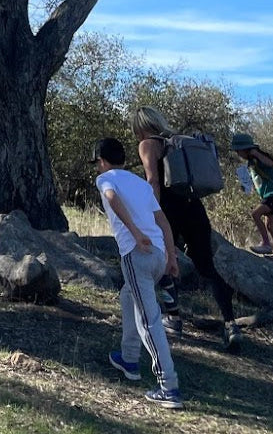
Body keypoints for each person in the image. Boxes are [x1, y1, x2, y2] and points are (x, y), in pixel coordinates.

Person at [132, 106, 242, 350]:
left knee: (164, 259)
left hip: (168, 210)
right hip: (194, 208)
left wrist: (151, 214)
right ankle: (231, 324)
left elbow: (153, 180)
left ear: (139, 127)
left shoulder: (148, 144)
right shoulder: (177, 142)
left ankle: (173, 318)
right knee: (207, 267)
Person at [92, 136, 183, 410]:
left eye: (97, 163)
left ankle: (168, 387)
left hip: (137, 254)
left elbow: (111, 197)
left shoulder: (105, 178)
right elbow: (162, 220)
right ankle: (129, 359)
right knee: (127, 296)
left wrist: (134, 233)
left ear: (102, 161)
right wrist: (171, 256)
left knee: (149, 320)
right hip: (158, 254)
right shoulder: (141, 184)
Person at [231, 132, 273, 264]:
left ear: (246, 149)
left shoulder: (259, 158)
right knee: (270, 227)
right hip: (272, 196)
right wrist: (245, 186)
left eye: (239, 151)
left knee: (255, 214)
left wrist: (256, 153)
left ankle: (266, 244)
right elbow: (256, 181)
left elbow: (270, 163)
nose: (238, 154)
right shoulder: (251, 164)